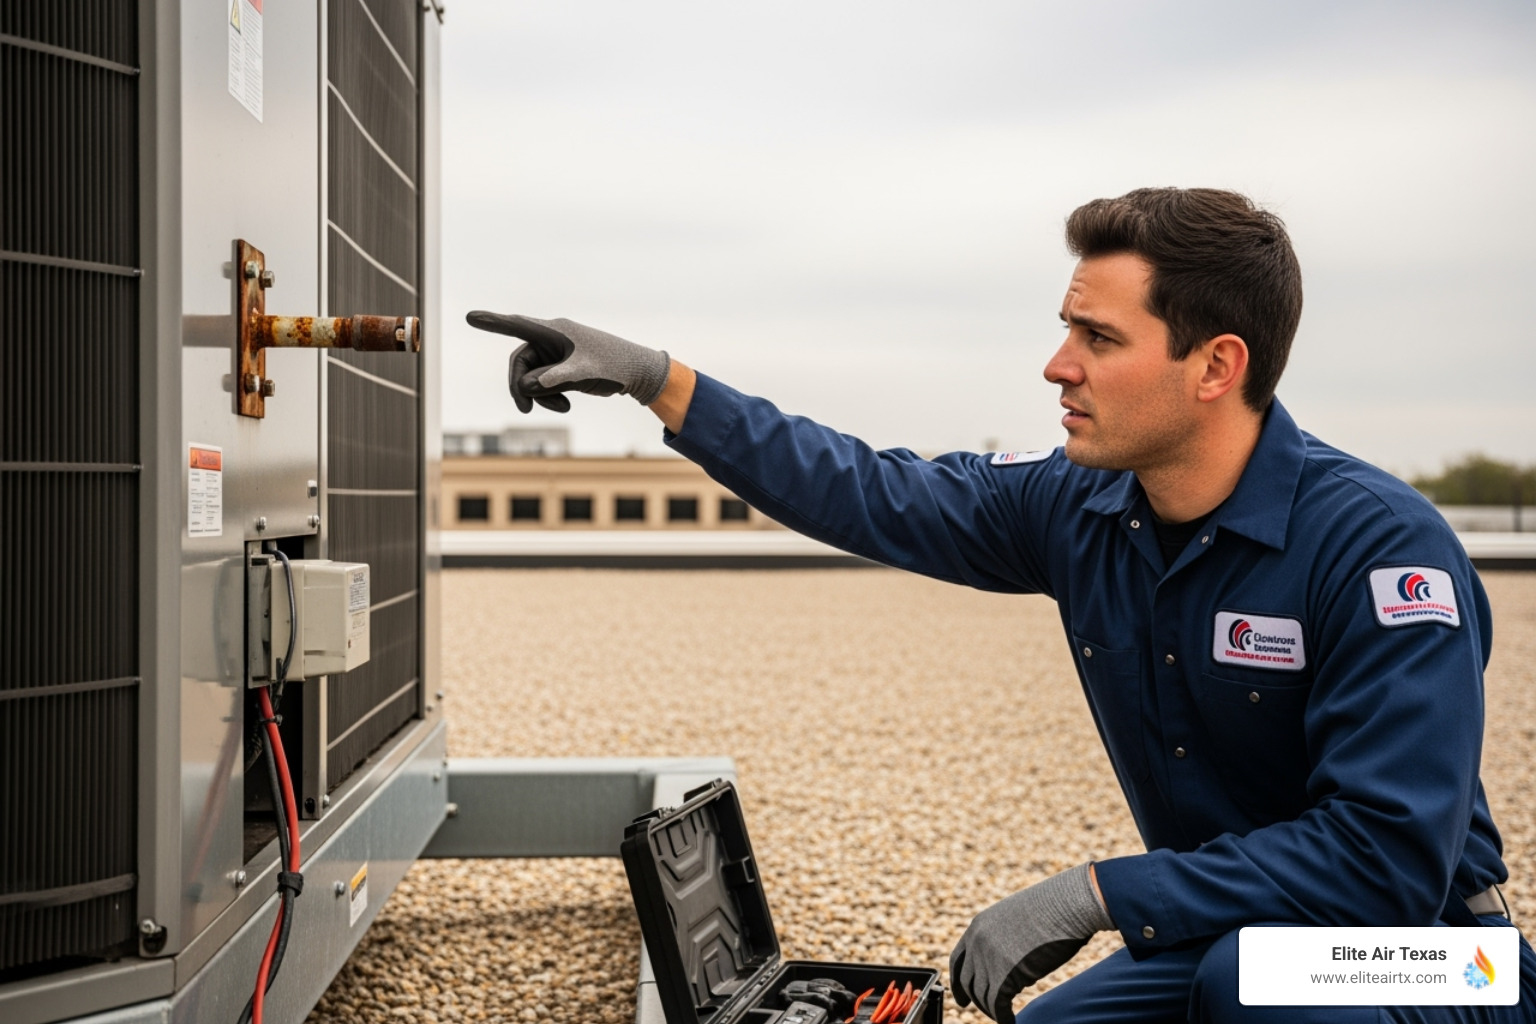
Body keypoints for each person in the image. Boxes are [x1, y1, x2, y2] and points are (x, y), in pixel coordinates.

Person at [467, 187, 1535, 1024]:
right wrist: (658, 377)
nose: (1057, 365)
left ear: (1217, 364)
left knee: (1258, 993)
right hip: (1237, 938)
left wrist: (1099, 895)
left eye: (1099, 340)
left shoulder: (1379, 549)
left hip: (1436, 953)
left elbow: (1383, 859)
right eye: (1067, 327)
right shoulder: (1080, 508)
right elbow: (869, 487)